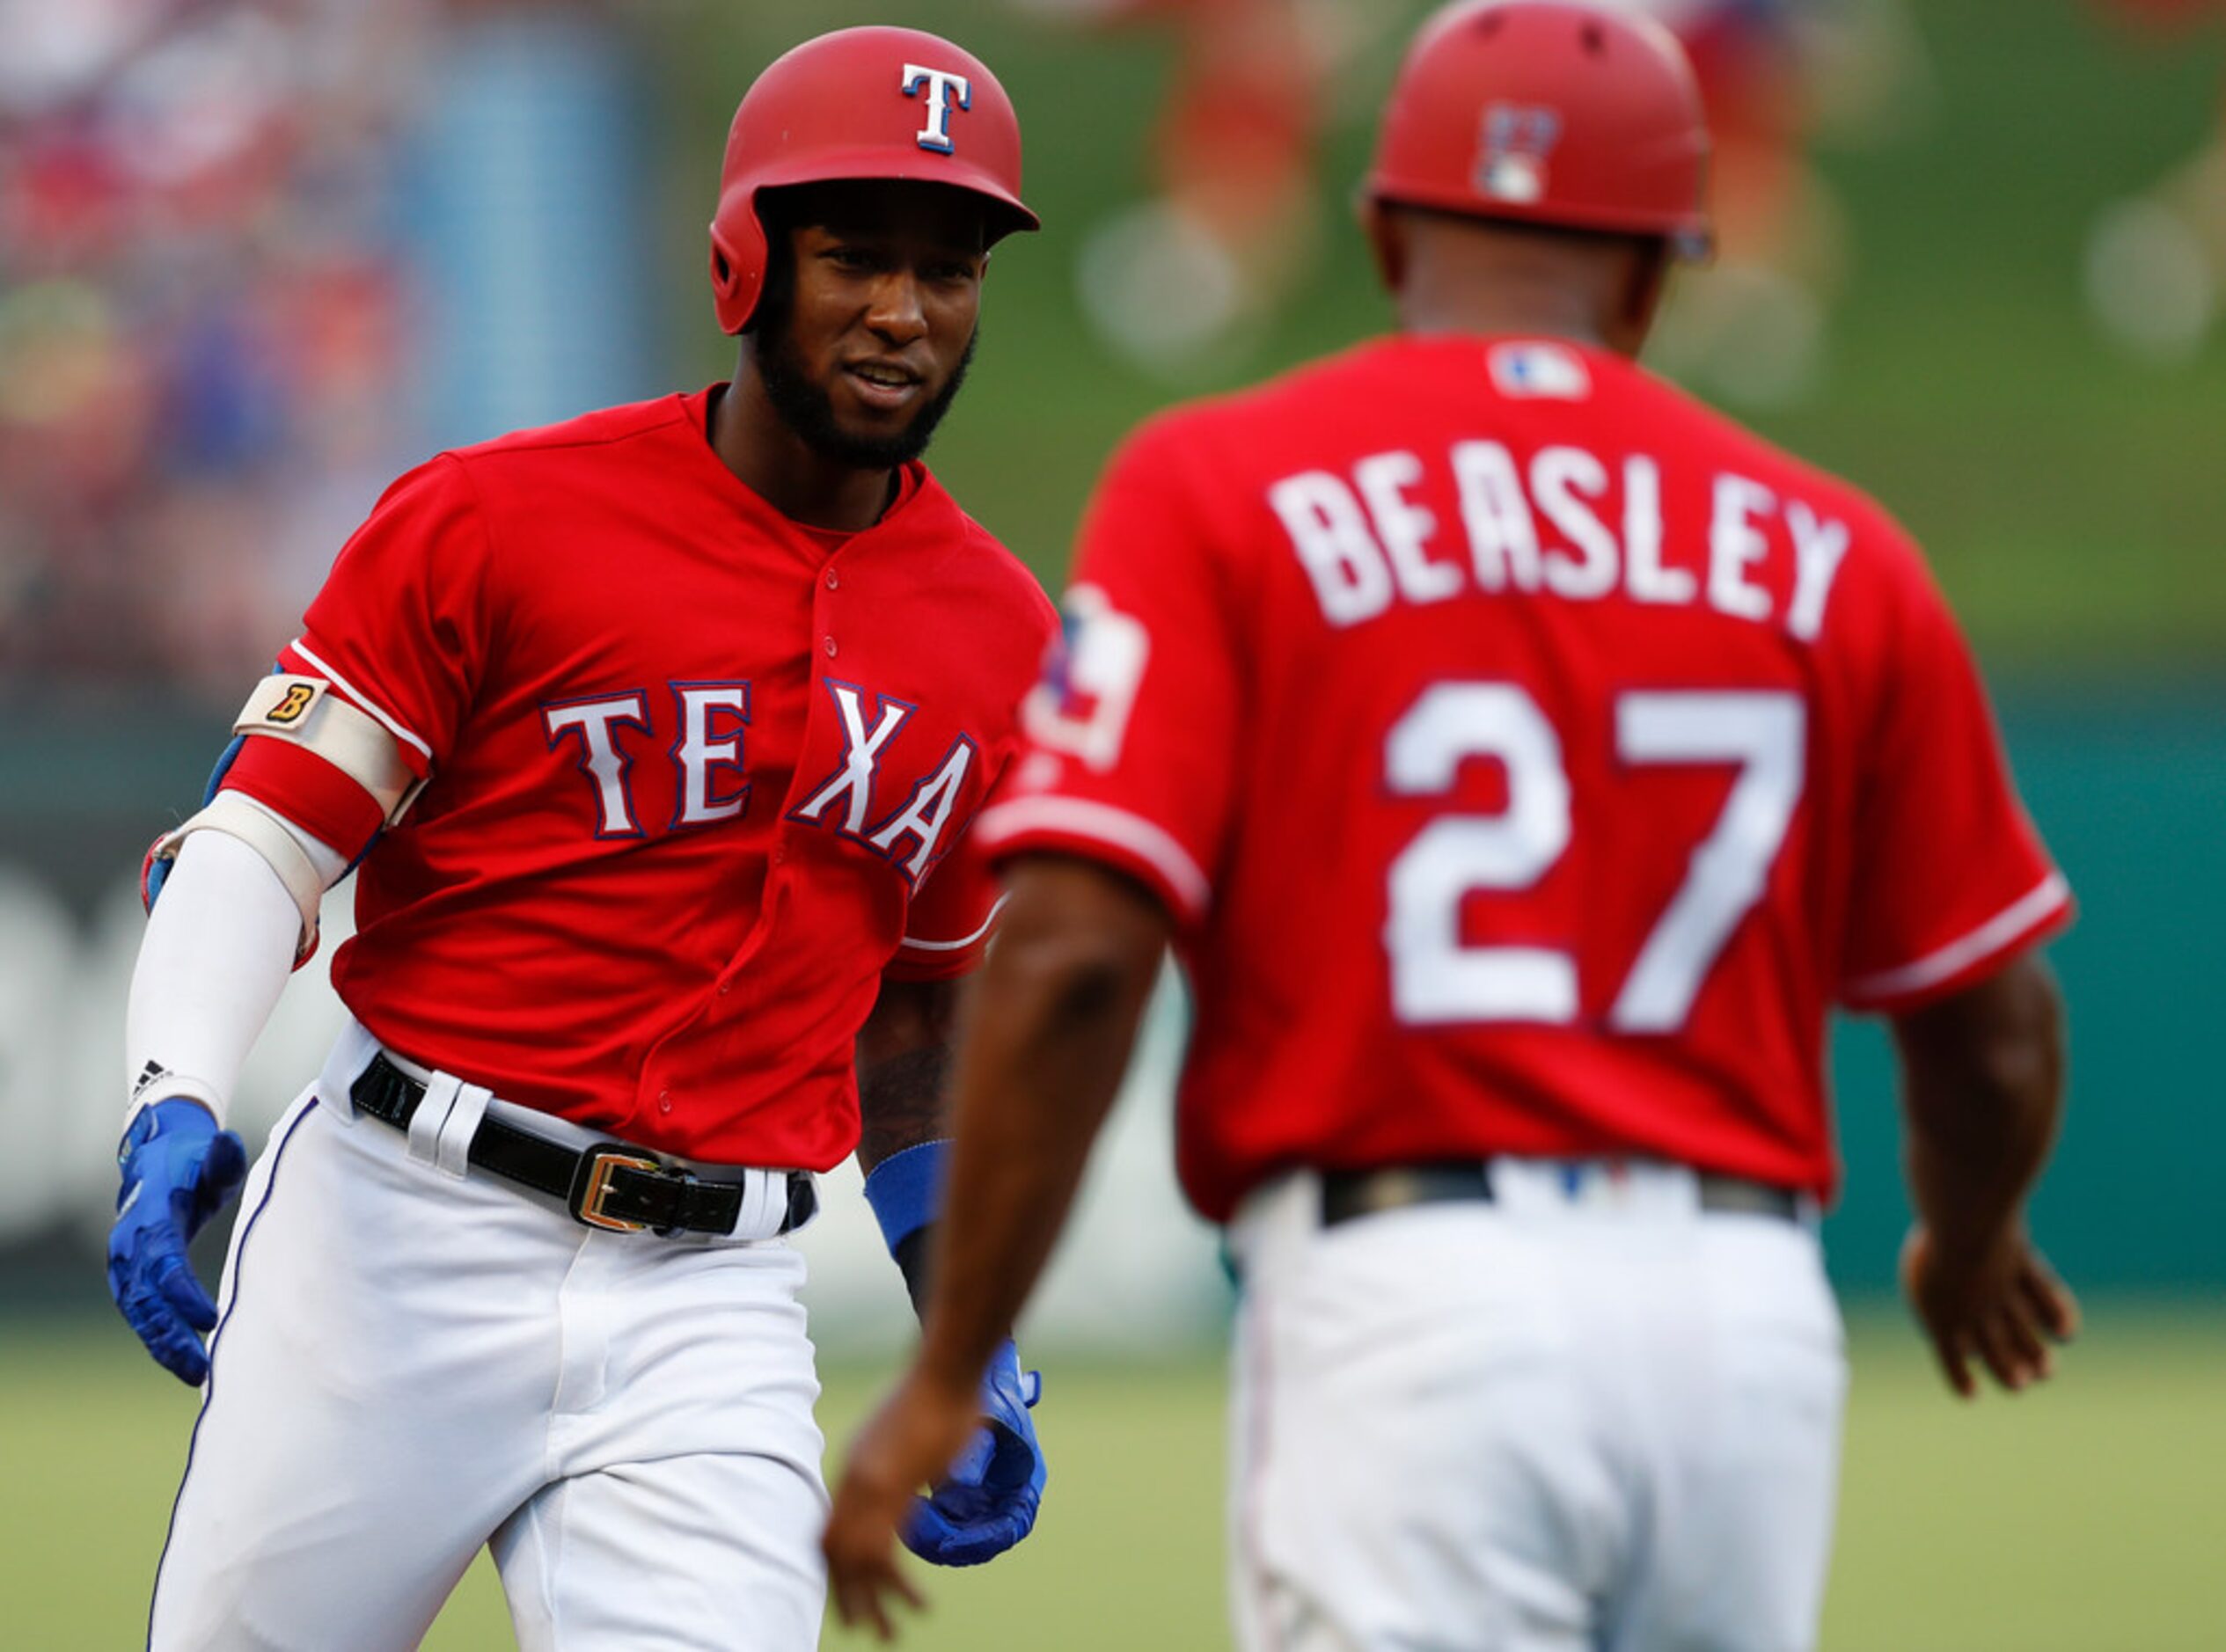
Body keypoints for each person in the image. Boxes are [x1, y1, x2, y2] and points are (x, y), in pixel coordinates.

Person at [822, 4, 2078, 1648]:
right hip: (1739, 1313)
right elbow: (1992, 1027)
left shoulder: (1222, 487)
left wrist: (950, 1357)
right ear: (1655, 269)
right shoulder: (1835, 549)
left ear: (1384, 226)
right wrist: (1968, 1238)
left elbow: (1064, 959)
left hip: (1407, 1294)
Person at [106, 25, 1055, 1650]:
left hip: (714, 1293)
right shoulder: (494, 519)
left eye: (947, 267)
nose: (904, 310)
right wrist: (173, 1093)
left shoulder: (999, 631)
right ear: (740, 260)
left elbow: (916, 1009)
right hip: (395, 1235)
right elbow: (265, 833)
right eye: (854, 259)